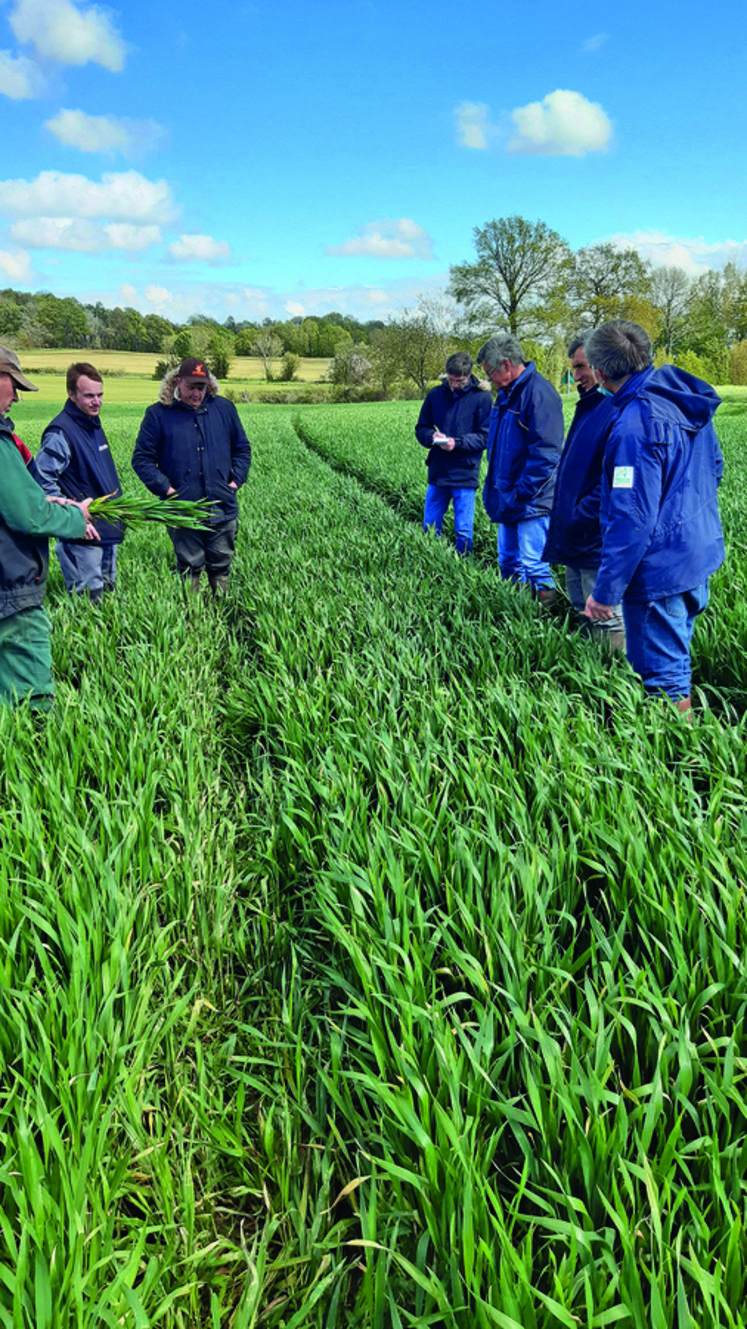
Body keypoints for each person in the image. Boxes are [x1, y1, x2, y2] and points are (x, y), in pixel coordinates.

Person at [584, 320, 725, 712]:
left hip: (660, 569)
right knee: (675, 662)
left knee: (661, 681)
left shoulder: (635, 425)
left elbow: (631, 521)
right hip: (696, 554)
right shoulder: (683, 399)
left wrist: (605, 592)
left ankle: (675, 762)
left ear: (599, 372)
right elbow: (715, 468)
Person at [0, 345, 100, 709]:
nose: (17, 399)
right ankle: (37, 755)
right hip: (10, 586)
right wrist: (75, 517)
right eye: (15, 386)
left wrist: (45, 502)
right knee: (32, 698)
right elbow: (27, 516)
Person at [132, 357, 251, 594]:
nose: (197, 394)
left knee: (221, 563)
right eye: (191, 387)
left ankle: (220, 611)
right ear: (178, 382)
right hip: (182, 509)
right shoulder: (158, 414)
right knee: (189, 566)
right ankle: (193, 620)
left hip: (222, 505)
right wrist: (167, 490)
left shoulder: (224, 409)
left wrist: (235, 481)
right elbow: (142, 459)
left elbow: (242, 449)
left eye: (202, 387)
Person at [543, 332, 624, 648]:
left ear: (603, 364)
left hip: (594, 537)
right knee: (582, 610)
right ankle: (591, 679)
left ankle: (617, 685)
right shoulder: (588, 406)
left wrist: (581, 514)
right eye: (573, 368)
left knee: (605, 618)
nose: (576, 376)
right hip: (575, 535)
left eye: (582, 367)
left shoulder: (614, 409)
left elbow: (615, 481)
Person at [477, 334, 563, 602]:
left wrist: (522, 493)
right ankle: (516, 614)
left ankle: (544, 623)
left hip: (530, 501)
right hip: (507, 496)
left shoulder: (539, 394)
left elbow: (546, 453)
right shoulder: (506, 395)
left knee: (534, 565)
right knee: (509, 562)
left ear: (505, 364)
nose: (489, 379)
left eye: (490, 372)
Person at [33, 362, 124, 604]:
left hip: (106, 529)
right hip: (82, 536)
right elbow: (43, 481)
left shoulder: (92, 423)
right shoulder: (60, 433)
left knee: (108, 596)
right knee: (89, 601)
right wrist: (73, 516)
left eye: (100, 395)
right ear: (71, 395)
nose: (97, 401)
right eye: (89, 396)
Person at [414, 352, 491, 555]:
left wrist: (455, 443)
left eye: (460, 381)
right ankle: (431, 564)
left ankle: (463, 572)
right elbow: (421, 428)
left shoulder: (482, 398)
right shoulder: (435, 395)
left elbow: (485, 437)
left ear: (469, 375)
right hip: (438, 471)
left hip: (465, 473)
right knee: (429, 527)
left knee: (463, 532)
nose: (454, 384)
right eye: (451, 379)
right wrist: (432, 436)